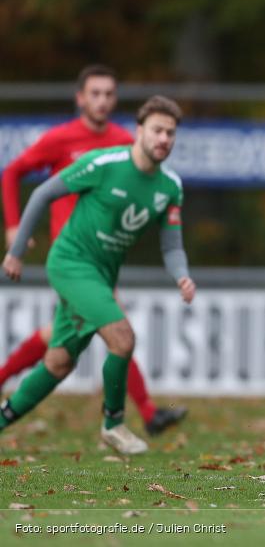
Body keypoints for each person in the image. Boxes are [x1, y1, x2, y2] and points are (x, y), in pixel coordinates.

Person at [1, 96, 195, 454]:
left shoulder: (170, 187)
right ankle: (113, 423)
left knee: (59, 363)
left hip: (103, 274)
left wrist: (181, 276)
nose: (164, 139)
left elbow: (171, 246)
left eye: (170, 133)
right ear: (139, 132)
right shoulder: (104, 163)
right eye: (157, 130)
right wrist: (14, 252)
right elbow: (43, 193)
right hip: (70, 263)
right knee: (122, 338)